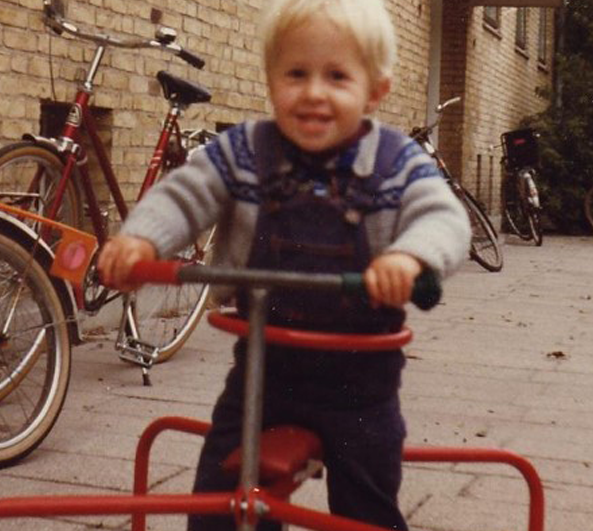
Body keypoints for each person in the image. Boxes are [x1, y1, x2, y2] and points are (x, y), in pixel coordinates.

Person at [98, 0, 471, 529]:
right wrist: (139, 242)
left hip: (360, 378)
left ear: (375, 90)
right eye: (296, 73)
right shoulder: (244, 153)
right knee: (219, 498)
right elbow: (184, 195)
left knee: (367, 502)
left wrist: (409, 257)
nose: (314, 92)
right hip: (264, 368)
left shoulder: (395, 163)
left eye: (337, 76)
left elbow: (444, 218)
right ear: (271, 80)